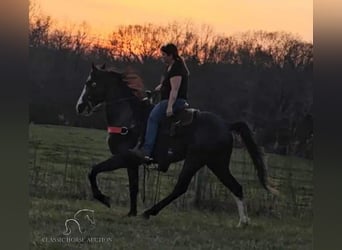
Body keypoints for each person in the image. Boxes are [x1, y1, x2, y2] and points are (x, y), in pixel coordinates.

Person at [130, 43, 190, 160]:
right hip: (167, 100)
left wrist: (170, 107)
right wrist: (158, 89)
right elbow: (167, 84)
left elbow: (175, 89)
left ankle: (146, 151)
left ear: (171, 55)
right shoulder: (170, 67)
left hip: (176, 101)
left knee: (152, 117)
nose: (162, 58)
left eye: (164, 55)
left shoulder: (177, 68)